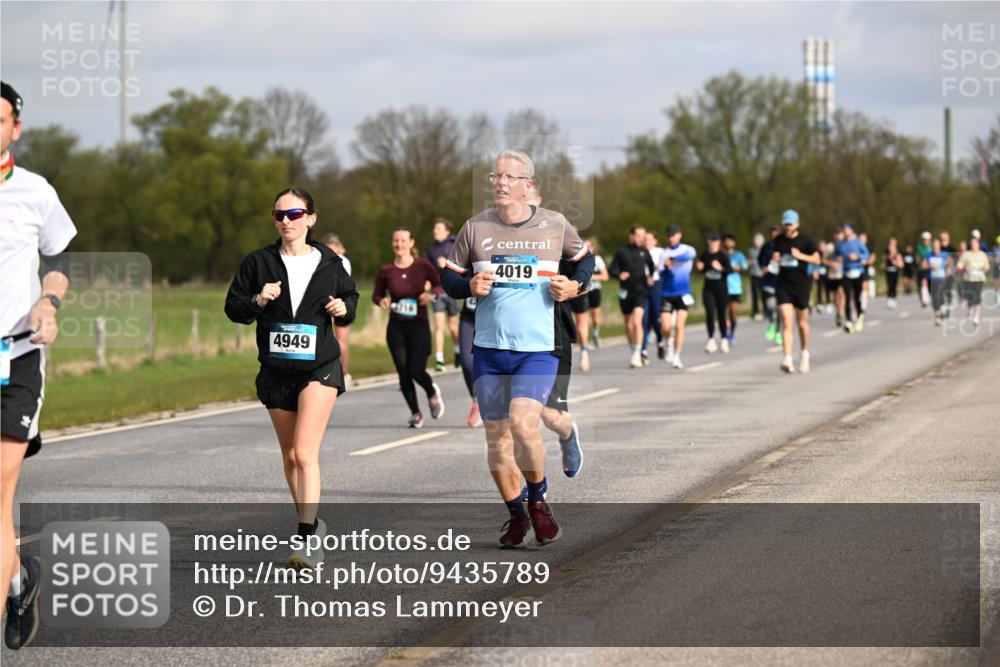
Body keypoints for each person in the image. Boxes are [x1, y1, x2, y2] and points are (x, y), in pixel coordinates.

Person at [441, 149, 592, 549]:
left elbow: (584, 261)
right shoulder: (475, 228)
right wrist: (467, 287)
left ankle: (539, 503)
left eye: (509, 176)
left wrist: (576, 286)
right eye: (495, 176)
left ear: (529, 184)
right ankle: (516, 515)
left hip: (538, 349)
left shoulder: (555, 225)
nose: (501, 182)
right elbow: (448, 279)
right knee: (496, 439)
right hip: (489, 349)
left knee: (524, 422)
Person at [225, 187, 358, 570]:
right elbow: (234, 308)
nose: (286, 221)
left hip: (320, 366)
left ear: (311, 219)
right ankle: (313, 525)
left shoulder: (332, 262)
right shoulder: (258, 263)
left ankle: (305, 538)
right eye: (280, 215)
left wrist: (341, 307)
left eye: (295, 214)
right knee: (289, 457)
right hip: (276, 369)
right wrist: (258, 300)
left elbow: (350, 303)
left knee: (304, 452)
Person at [1, 81, 77, 650]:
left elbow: (57, 257)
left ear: (15, 128)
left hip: (16, 356)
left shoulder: (34, 191)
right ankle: (20, 580)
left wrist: (48, 303)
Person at [373, 228, 446, 428]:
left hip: (419, 326)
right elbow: (376, 295)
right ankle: (415, 413)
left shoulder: (422, 265)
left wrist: (431, 296)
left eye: (404, 240)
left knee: (416, 370)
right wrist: (382, 301)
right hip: (396, 327)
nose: (400, 244)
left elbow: (441, 284)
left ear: (411, 243)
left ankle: (431, 391)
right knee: (403, 372)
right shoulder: (386, 270)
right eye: (396, 240)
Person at [772, 209, 820, 373]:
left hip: (801, 286)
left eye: (790, 224)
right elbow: (775, 256)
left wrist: (801, 256)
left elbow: (817, 258)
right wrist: (775, 258)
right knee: (786, 321)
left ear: (797, 224)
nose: (787, 227)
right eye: (785, 224)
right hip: (783, 285)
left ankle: (805, 354)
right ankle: (787, 358)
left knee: (802, 324)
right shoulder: (778, 240)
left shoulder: (805, 241)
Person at [609, 225, 655, 368]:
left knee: (637, 321)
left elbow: (652, 266)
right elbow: (612, 270)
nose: (642, 239)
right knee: (628, 326)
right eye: (639, 236)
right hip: (626, 293)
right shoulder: (621, 252)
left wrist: (650, 277)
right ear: (632, 235)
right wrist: (619, 275)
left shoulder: (644, 251)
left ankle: (637, 354)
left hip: (641, 292)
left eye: (643, 236)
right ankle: (634, 350)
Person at [658, 223, 697, 369]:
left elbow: (689, 255)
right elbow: (661, 273)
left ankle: (677, 355)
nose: (671, 238)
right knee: (666, 327)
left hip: (683, 293)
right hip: (667, 293)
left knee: (680, 326)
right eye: (669, 236)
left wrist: (673, 259)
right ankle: (668, 342)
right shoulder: (664, 253)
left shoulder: (687, 249)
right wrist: (667, 268)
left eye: (673, 235)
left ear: (680, 234)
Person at [426, 218, 460, 372]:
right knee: (439, 325)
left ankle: (458, 349)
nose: (435, 231)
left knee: (453, 327)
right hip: (437, 291)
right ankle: (439, 359)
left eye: (438, 228)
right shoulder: (431, 249)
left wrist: (446, 264)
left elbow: (462, 267)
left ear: (447, 231)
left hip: (452, 289)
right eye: (434, 228)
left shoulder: (455, 245)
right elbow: (428, 271)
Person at [324, 233, 354, 388]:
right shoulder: (319, 260)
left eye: (335, 252)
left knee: (341, 342)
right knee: (327, 339)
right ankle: (328, 372)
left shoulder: (344, 262)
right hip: (325, 303)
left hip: (341, 303)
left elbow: (344, 285)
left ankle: (345, 372)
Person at [697, 232, 731, 353]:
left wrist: (720, 268)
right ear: (708, 242)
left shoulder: (723, 255)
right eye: (711, 241)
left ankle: (724, 339)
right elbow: (702, 269)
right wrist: (700, 267)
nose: (712, 243)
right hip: (708, 289)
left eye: (715, 241)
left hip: (721, 289)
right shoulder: (704, 255)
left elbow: (729, 270)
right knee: (710, 313)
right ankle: (711, 339)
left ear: (719, 242)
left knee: (722, 315)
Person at [834, 222, 869, 333]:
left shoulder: (858, 242)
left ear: (852, 230)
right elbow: (836, 255)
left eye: (847, 229)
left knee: (857, 297)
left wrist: (858, 257)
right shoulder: (840, 244)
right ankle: (848, 320)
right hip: (846, 273)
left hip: (858, 272)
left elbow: (866, 254)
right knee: (847, 297)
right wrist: (837, 259)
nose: (845, 231)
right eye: (844, 229)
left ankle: (860, 317)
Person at [641, 230, 664, 364]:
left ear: (655, 241)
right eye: (645, 239)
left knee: (656, 318)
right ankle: (643, 350)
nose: (647, 242)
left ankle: (660, 342)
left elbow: (666, 268)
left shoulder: (660, 252)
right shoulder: (640, 252)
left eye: (650, 239)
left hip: (656, 286)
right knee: (644, 319)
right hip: (643, 287)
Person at [956, 237, 990, 327]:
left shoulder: (982, 255)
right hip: (968, 279)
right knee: (970, 296)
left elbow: (987, 267)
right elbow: (960, 264)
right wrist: (961, 268)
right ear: (970, 245)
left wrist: (984, 268)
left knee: (977, 296)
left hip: (979, 279)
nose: (974, 246)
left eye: (976, 244)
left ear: (978, 245)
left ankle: (976, 316)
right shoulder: (966, 255)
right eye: (972, 244)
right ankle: (970, 309)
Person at [759, 225, 784, 345]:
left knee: (780, 308)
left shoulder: (785, 245)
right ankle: (771, 323)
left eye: (776, 233)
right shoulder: (766, 246)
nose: (774, 235)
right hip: (768, 279)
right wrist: (763, 267)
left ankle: (778, 332)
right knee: (770, 306)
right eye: (772, 233)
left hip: (781, 280)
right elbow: (760, 259)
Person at [583, 238, 609, 349]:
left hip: (595, 289)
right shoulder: (578, 259)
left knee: (595, 315)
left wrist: (592, 276)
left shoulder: (597, 259)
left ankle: (596, 333)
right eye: (585, 247)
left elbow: (605, 276)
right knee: (584, 316)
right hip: (582, 291)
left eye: (589, 247)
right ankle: (585, 339)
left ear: (593, 248)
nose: (587, 249)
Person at [723, 233, 747, 346]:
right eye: (726, 241)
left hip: (735, 288)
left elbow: (745, 267)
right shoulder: (721, 255)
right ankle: (725, 333)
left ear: (734, 243)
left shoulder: (738, 255)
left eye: (730, 241)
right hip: (723, 287)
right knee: (724, 312)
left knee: (733, 313)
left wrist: (739, 267)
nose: (728, 243)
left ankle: (731, 333)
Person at [923, 238, 952, 326]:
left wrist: (948, 267)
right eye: (934, 247)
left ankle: (938, 316)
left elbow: (950, 261)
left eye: (937, 247)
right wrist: (929, 266)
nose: (935, 249)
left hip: (941, 278)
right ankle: (940, 310)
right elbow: (923, 265)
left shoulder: (944, 255)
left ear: (939, 247)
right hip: (932, 279)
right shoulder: (929, 255)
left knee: (938, 295)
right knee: (934, 298)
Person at [747, 232, 766, 321]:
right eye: (755, 240)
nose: (756, 242)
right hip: (754, 274)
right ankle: (755, 312)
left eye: (758, 240)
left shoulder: (765, 250)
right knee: (754, 294)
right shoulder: (751, 250)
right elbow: (747, 261)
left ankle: (766, 311)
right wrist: (749, 263)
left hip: (763, 274)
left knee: (764, 294)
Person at [883, 237, 904, 309]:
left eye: (893, 243)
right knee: (889, 285)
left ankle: (894, 299)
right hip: (888, 271)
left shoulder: (898, 252)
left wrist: (896, 262)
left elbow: (901, 264)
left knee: (894, 285)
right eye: (890, 243)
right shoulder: (886, 252)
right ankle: (889, 300)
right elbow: (884, 261)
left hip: (895, 271)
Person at [916, 231, 933, 308]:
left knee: (930, 286)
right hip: (922, 269)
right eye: (924, 239)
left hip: (931, 269)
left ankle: (929, 298)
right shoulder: (919, 247)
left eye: (927, 239)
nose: (926, 241)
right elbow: (918, 258)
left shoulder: (932, 247)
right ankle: (925, 301)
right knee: (923, 283)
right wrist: (920, 263)